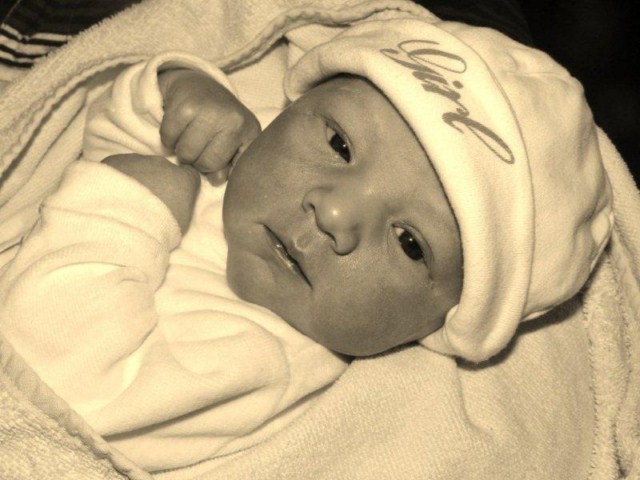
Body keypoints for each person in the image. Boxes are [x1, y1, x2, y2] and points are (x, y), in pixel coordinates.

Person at [0, 14, 613, 472]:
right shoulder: (246, 158)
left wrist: (126, 205)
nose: (335, 212)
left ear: (440, 323)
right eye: (340, 145)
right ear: (294, 107)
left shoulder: (260, 356)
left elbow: (65, 393)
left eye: (409, 242)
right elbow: (114, 123)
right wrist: (182, 89)